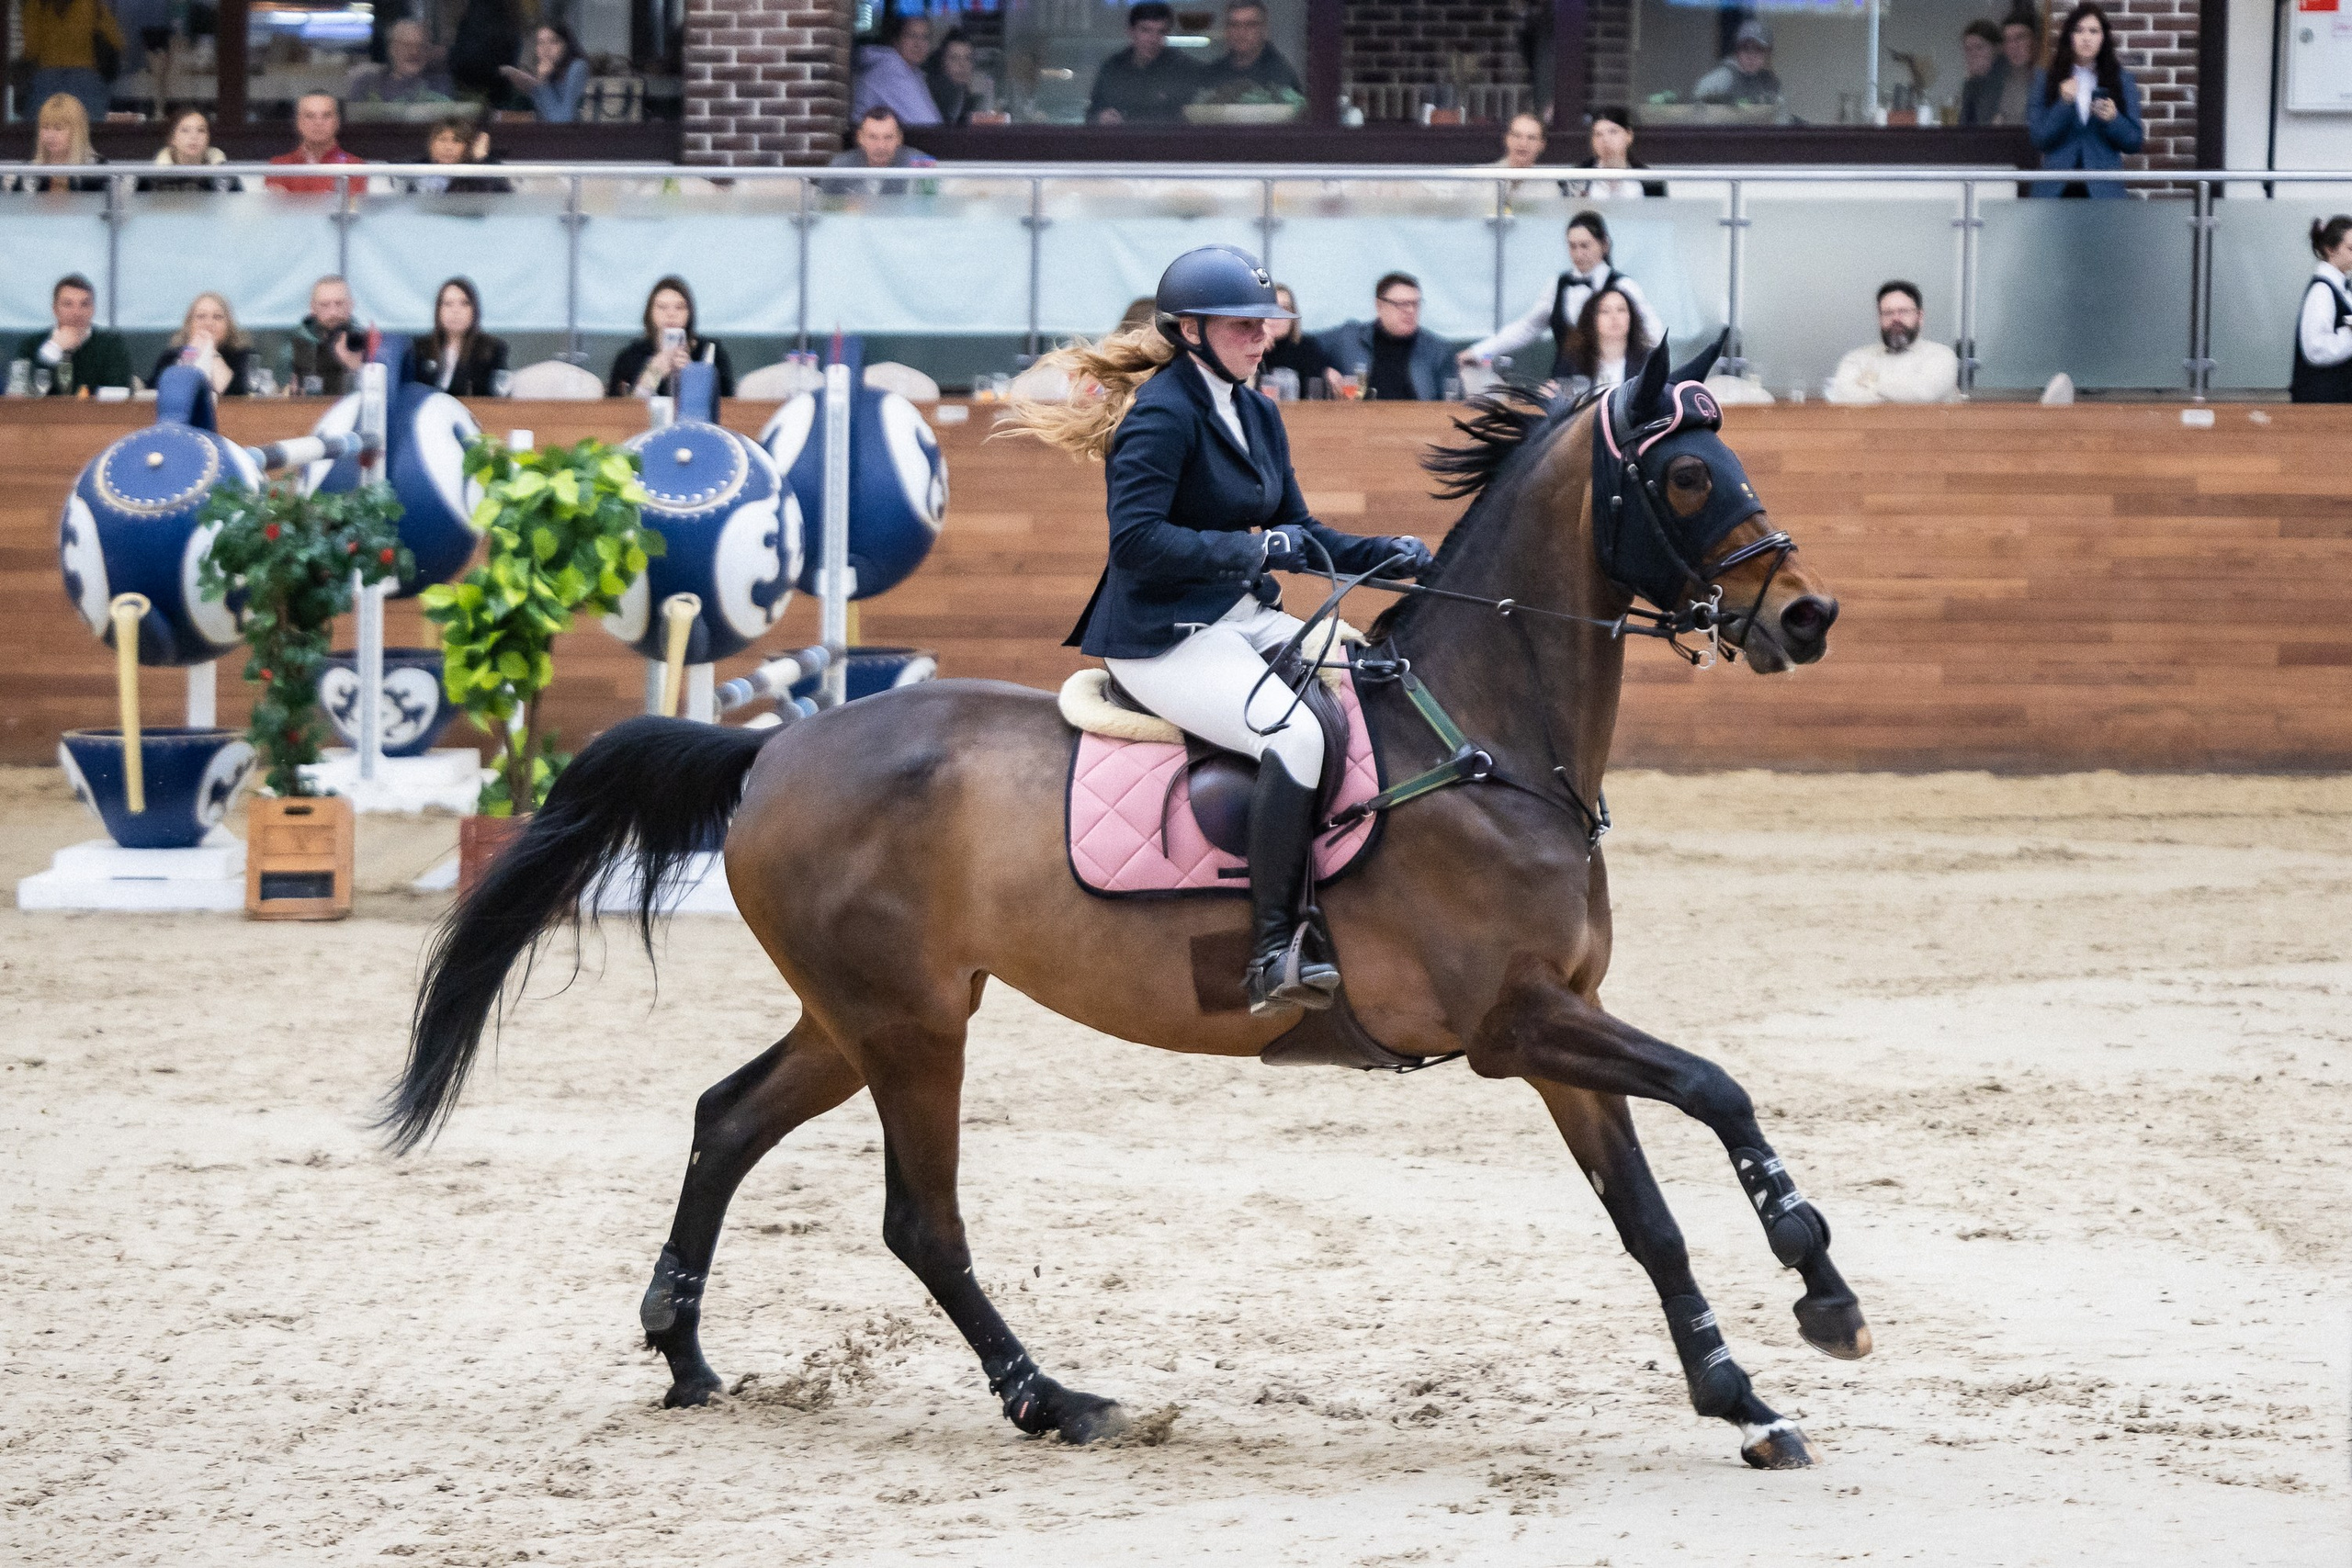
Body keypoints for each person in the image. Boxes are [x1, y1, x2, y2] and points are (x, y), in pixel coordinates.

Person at [1002, 245, 1433, 1016]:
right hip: (1163, 638)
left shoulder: (1259, 410)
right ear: (1192, 331)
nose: (1261, 337)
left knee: (1374, 686)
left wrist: (1388, 553)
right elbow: (1136, 541)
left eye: (1265, 324)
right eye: (1243, 326)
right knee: (1295, 737)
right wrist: (1253, 548)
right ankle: (1275, 948)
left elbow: (1298, 528)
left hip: (1239, 618)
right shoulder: (1162, 414)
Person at [1459, 210, 1666, 380]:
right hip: (1565, 383)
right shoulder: (1557, 285)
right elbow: (1527, 328)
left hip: (1616, 382)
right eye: (1572, 246)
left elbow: (1653, 334)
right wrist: (1480, 352)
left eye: (1585, 245)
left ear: (1604, 245)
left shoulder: (1623, 286)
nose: (1578, 254)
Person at [2028, 2, 2141, 198]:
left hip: (2103, 191)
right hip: (2056, 190)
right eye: (2079, 31)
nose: (2086, 38)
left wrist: (2114, 119)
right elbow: (2039, 138)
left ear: (2103, 38)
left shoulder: (2122, 79)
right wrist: (2063, 104)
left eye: (2093, 31)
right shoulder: (2047, 78)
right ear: (2069, 37)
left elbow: (2134, 142)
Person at [1317, 274, 1456, 400]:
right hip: (1357, 424)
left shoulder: (1438, 351)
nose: (1410, 311)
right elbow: (1301, 348)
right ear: (1379, 306)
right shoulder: (1348, 338)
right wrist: (1323, 370)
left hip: (1416, 425)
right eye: (1402, 304)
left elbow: (1453, 404)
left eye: (1415, 304)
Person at [1825, 281, 1961, 404]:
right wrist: (1901, 393)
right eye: (1888, 313)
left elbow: (1924, 394)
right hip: (1869, 431)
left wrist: (1868, 381)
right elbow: (1842, 396)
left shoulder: (1941, 356)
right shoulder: (1856, 359)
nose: (1896, 318)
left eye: (1903, 311)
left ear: (1920, 317)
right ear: (1879, 318)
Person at [608, 276, 736, 399]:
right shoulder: (630, 356)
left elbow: (727, 403)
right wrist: (654, 373)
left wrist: (691, 375)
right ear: (650, 312)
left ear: (690, 313)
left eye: (679, 307)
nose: (671, 314)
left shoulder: (711, 352)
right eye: (662, 307)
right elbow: (619, 409)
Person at [11, 274, 133, 395]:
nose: (77, 312)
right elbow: (19, 395)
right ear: (55, 309)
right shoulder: (31, 344)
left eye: (84, 304)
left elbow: (119, 393)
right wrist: (52, 350)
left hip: (95, 414)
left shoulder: (111, 345)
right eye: (68, 304)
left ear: (93, 309)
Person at [1087, 2, 1201, 125]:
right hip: (1121, 140)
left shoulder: (1180, 65)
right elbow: (1092, 113)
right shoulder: (1113, 67)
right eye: (1146, 30)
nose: (1153, 39)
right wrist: (1101, 117)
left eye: (1160, 32)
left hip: (1168, 140)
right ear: (1131, 32)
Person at [19, 0, 123, 127]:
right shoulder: (91, 4)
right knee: (86, 137)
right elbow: (116, 41)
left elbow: (31, 50)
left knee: (45, 135)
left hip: (46, 81)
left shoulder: (36, 4)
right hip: (86, 81)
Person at [403, 277, 509, 395]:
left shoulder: (492, 349)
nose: (456, 311)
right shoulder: (420, 348)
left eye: (464, 303)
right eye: (448, 304)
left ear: (474, 310)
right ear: (438, 311)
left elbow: (498, 398)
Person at [2290, 216, 2352, 404]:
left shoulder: (2341, 287)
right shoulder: (2322, 291)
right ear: (2330, 249)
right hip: (2322, 404)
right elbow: (2315, 350)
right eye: (2351, 249)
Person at [151, 291, 258, 398]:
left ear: (228, 325)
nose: (208, 323)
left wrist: (211, 352)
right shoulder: (170, 356)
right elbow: (158, 392)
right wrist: (190, 353)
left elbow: (236, 393)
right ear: (189, 324)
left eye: (217, 317)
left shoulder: (241, 355)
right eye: (201, 316)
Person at [1557, 283, 1650, 401]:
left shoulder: (1647, 360)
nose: (1614, 317)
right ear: (1592, 319)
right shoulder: (1574, 360)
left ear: (1631, 317)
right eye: (1605, 311)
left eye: (1621, 310)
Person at [820, 106, 939, 196]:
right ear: (860, 138)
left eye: (888, 137)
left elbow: (932, 210)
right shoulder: (840, 166)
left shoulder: (922, 164)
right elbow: (822, 209)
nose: (881, 146)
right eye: (873, 137)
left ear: (899, 138)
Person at [852, 13, 942, 127]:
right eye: (911, 36)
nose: (918, 44)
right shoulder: (889, 67)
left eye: (925, 37)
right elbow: (928, 125)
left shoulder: (915, 72)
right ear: (896, 40)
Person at [6, 94, 108, 193]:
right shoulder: (28, 173)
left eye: (58, 128)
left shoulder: (97, 171)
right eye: (45, 127)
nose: (50, 135)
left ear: (77, 132)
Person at [267, 93, 367, 194]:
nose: (318, 123)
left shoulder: (354, 166)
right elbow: (279, 207)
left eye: (326, 116)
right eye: (310, 116)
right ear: (298, 122)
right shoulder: (279, 166)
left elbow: (349, 207)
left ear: (337, 122)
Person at [289, 276, 368, 396]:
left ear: (351, 305)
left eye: (339, 304)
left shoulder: (366, 340)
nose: (333, 312)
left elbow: (379, 392)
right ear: (313, 308)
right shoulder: (296, 342)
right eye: (324, 305)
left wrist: (357, 368)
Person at [1201, 1, 1301, 95]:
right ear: (1226, 30)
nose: (1241, 32)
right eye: (1234, 25)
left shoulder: (1280, 76)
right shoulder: (1213, 74)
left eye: (1250, 25)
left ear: (1264, 30)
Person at [350, 18, 457, 106]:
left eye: (421, 46)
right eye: (406, 45)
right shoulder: (366, 83)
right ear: (391, 49)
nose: (414, 52)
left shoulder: (439, 85)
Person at [1258, 282, 1335, 398]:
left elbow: (1316, 397)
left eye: (1284, 308)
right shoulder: (1249, 347)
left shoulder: (1308, 348)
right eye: (1270, 307)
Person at [1568, 107, 1666, 198]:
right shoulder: (1578, 179)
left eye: (1613, 132)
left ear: (1629, 135)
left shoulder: (1650, 181)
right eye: (1598, 134)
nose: (1606, 140)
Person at [500, 23, 589, 122]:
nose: (546, 48)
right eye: (541, 43)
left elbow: (562, 119)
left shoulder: (577, 67)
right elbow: (542, 114)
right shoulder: (544, 68)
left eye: (553, 42)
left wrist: (542, 82)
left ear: (566, 45)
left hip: (568, 134)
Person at [139, 107, 239, 192]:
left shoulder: (224, 175)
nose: (194, 137)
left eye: (201, 130)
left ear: (208, 137)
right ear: (172, 138)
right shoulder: (152, 176)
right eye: (185, 130)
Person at [407, 116, 511, 193]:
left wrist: (479, 160)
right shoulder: (415, 171)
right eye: (442, 140)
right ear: (431, 145)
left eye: (457, 141)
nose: (448, 147)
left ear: (469, 146)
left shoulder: (488, 170)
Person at [447, 0, 522, 107]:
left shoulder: (479, 12)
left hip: (481, 94)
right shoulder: (509, 15)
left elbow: (469, 58)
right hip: (499, 93)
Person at [1693, 19, 1781, 107]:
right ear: (1737, 51)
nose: (1751, 56)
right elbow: (1697, 100)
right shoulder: (1724, 76)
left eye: (1759, 49)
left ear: (1768, 53)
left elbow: (1779, 116)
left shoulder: (1769, 81)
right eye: (1745, 48)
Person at [925, 28, 980, 126]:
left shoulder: (967, 99)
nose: (962, 65)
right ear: (942, 63)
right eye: (954, 58)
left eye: (968, 58)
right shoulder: (932, 100)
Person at [1957, 20, 2007, 127]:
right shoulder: (1973, 82)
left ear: (1997, 49)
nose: (1973, 55)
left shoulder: (2006, 79)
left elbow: (1985, 124)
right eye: (1968, 49)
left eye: (1979, 48)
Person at [1993, 11, 2039, 124]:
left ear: (2035, 41)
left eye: (2020, 37)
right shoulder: (2000, 84)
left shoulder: (2049, 82)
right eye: (2008, 40)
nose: (2013, 46)